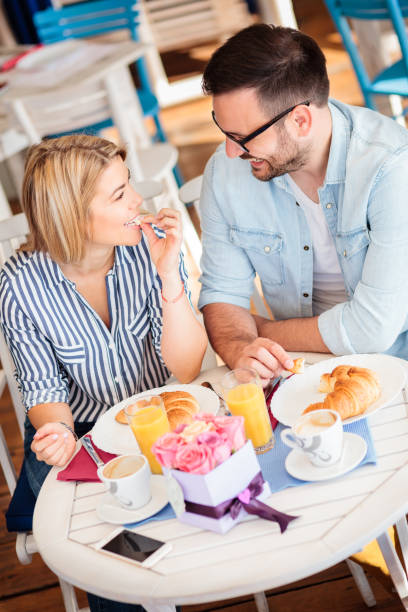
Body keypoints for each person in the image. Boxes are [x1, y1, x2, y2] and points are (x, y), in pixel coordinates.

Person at [0, 134, 207, 612]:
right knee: (102, 541)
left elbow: (187, 368)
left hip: (162, 414)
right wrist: (58, 433)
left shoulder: (146, 252)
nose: (139, 201)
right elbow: (43, 387)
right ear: (71, 214)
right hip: (87, 431)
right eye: (119, 195)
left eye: (128, 184)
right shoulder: (19, 284)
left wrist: (170, 277)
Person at [198, 23, 408, 385]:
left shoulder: (390, 167)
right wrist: (239, 347)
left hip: (395, 365)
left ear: (300, 120)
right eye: (223, 130)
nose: (232, 152)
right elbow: (223, 292)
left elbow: (373, 329)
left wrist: (266, 332)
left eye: (242, 137)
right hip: (294, 373)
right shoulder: (225, 170)